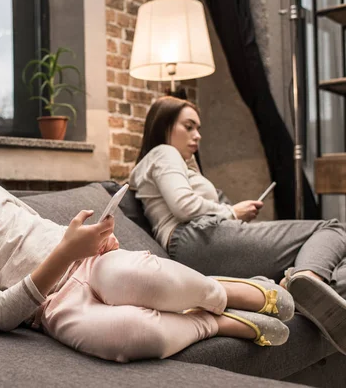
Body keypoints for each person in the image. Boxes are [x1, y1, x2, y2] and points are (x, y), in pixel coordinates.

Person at [0, 167, 294, 363]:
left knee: (135, 276)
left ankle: (232, 292)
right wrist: (65, 254)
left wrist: (91, 239)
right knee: (134, 337)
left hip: (91, 265)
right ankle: (217, 323)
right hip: (52, 307)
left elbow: (40, 227)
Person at [129, 95, 346, 355]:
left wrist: (231, 212)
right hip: (195, 236)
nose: (197, 135)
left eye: (198, 128)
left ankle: (294, 290)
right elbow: (183, 206)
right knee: (332, 228)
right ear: (163, 126)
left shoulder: (177, 162)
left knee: (336, 265)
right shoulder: (164, 152)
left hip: (199, 241)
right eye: (188, 127)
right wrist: (232, 212)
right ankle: (307, 282)